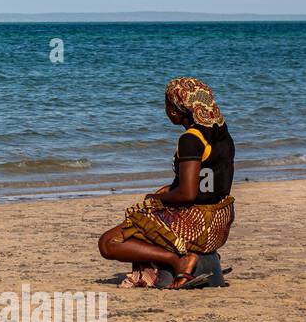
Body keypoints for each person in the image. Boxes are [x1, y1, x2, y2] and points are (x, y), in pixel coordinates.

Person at [97, 77, 236, 289]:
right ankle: (202, 259)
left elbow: (188, 195)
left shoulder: (191, 139)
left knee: (108, 242)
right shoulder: (222, 133)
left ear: (175, 110)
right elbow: (211, 178)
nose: (167, 110)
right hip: (219, 224)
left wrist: (156, 198)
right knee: (150, 211)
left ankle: (177, 260)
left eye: (167, 104)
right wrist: (173, 188)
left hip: (197, 224)